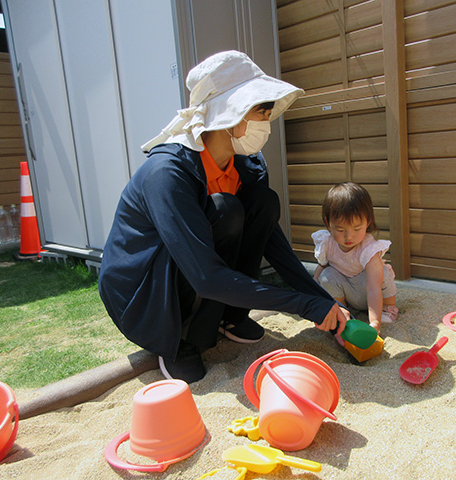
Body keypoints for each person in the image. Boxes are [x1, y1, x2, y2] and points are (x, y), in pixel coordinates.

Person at [99, 50, 348, 384]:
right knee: (226, 212)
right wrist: (300, 306)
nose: (266, 122)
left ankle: (229, 316)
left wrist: (321, 302)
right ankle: (182, 340)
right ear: (229, 114)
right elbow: (205, 276)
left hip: (196, 273)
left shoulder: (244, 166)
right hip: (144, 290)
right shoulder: (168, 173)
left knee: (263, 203)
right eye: (260, 112)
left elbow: (273, 244)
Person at [312, 182, 398, 332]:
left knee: (382, 273)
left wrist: (375, 323)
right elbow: (321, 270)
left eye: (357, 228)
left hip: (371, 291)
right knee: (326, 276)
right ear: (328, 222)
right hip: (349, 292)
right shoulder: (327, 243)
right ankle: (342, 309)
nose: (348, 236)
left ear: (368, 222)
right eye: (340, 229)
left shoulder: (368, 249)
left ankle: (388, 308)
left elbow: (373, 288)